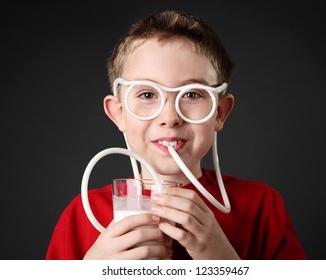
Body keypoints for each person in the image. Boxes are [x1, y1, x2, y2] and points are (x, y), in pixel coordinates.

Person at [45, 10, 306, 260]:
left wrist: (223, 260)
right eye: (147, 95)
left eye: (192, 94)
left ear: (220, 113)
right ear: (119, 113)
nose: (169, 117)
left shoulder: (261, 207)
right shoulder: (82, 214)